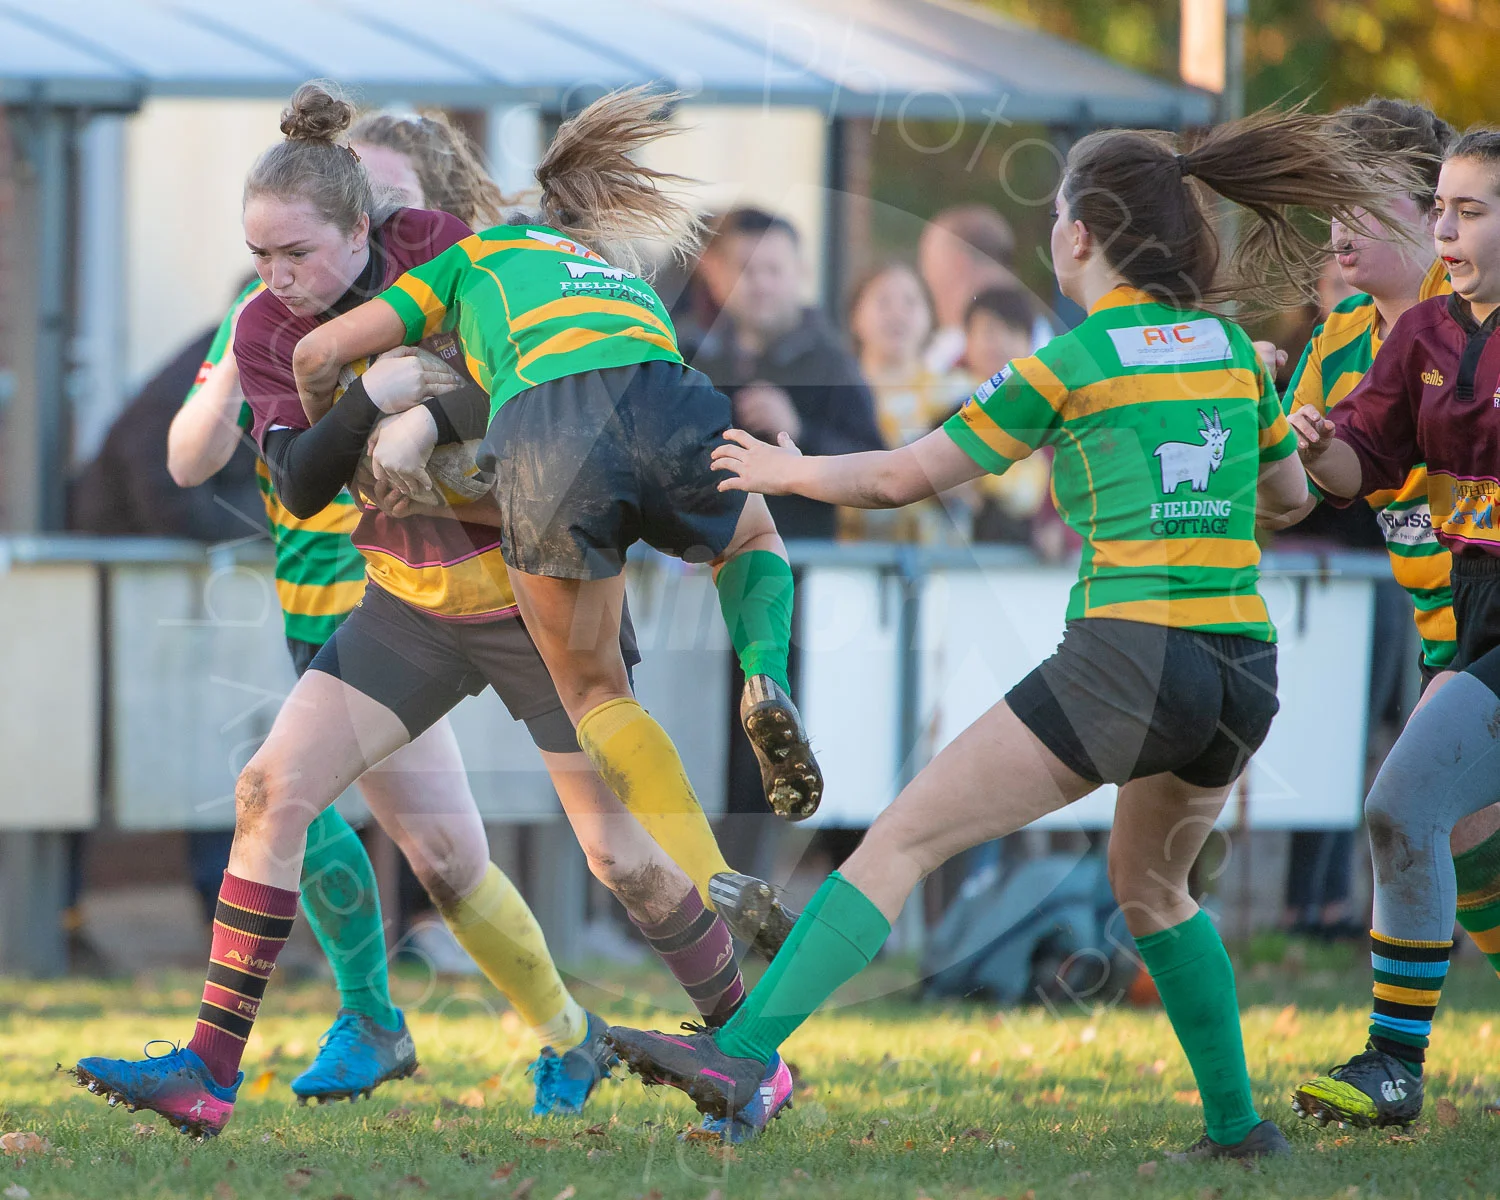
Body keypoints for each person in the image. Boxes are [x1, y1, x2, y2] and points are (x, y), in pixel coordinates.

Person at [603, 105, 1419, 1160]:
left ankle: (745, 1051)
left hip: (1128, 658)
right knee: (1156, 891)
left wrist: (788, 469)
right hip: (1239, 674)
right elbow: (1292, 499)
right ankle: (1237, 1128)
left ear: (1080, 235)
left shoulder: (1069, 361)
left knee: (901, 838)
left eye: (1054, 216)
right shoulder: (1228, 352)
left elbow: (906, 475)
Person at [71, 86, 780, 1141]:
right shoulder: (267, 325)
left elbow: (532, 388)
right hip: (407, 599)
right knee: (272, 789)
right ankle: (210, 1072)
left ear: (369, 226)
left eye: (296, 254)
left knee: (624, 860)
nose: (274, 280)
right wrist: (374, 398)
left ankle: (750, 1055)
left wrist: (428, 410)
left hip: (538, 589)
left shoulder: (447, 252)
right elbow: (301, 480)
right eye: (257, 255)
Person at [1289, 126, 1500, 1129]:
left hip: (1473, 626)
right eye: (1444, 208)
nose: (1449, 228)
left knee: (1407, 805)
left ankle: (1393, 1064)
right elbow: (1348, 474)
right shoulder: (1412, 338)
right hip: (1466, 616)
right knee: (1453, 832)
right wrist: (1304, 441)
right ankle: (1395, 1067)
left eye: (1471, 210)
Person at [687, 208, 885, 540]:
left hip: (802, 567)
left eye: (773, 270)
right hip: (704, 567)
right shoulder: (694, 357)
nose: (760, 284)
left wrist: (799, 433)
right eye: (746, 270)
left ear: (801, 273)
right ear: (717, 277)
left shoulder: (831, 364)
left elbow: (875, 463)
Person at [918, 203, 1054, 374]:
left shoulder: (1033, 345)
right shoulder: (949, 341)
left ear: (958, 263)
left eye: (929, 264)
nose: (926, 276)